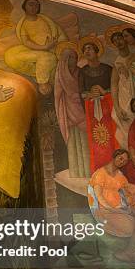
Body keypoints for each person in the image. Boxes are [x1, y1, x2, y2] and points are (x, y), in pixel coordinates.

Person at [3, 0, 67, 95]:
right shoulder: (23, 24)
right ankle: (38, 73)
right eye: (31, 4)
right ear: (24, 7)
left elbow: (60, 35)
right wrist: (43, 47)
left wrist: (57, 47)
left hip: (50, 52)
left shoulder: (46, 20)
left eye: (36, 5)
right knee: (10, 55)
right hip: (33, 50)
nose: (34, 7)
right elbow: (26, 42)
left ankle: (43, 83)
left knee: (47, 57)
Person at [78, 36, 116, 173]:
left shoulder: (108, 69)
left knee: (111, 136)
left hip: (108, 105)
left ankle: (114, 167)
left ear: (96, 51)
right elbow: (80, 92)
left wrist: (103, 91)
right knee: (96, 138)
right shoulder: (82, 71)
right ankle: (99, 170)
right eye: (85, 49)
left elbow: (115, 88)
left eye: (90, 48)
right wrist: (89, 94)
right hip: (92, 108)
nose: (87, 51)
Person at [53, 41, 90, 177]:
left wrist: (78, 96)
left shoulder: (81, 72)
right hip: (68, 112)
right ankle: (76, 173)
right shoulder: (60, 75)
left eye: (74, 57)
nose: (72, 61)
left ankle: (89, 171)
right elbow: (57, 96)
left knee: (86, 142)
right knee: (73, 143)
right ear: (64, 60)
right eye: (69, 58)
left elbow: (84, 89)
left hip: (82, 110)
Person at [87, 149, 135, 237]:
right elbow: (99, 196)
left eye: (125, 161)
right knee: (130, 227)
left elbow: (127, 192)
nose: (122, 162)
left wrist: (129, 198)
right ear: (115, 156)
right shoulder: (100, 174)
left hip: (118, 208)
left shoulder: (120, 175)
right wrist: (111, 208)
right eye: (121, 158)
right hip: (104, 210)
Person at [107, 28, 133, 148]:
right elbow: (114, 85)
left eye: (120, 38)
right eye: (115, 40)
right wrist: (116, 107)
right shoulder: (117, 62)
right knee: (126, 124)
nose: (118, 42)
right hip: (124, 96)